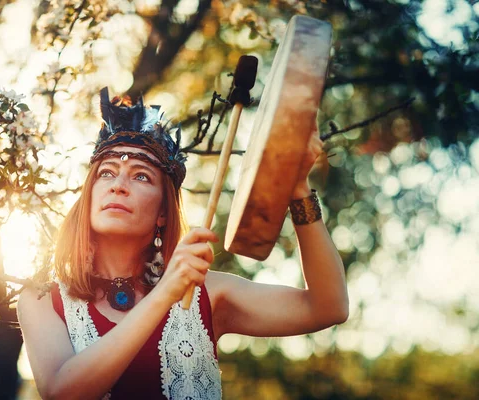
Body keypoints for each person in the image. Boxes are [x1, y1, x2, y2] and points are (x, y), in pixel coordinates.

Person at [17, 87, 349, 400]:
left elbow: (328, 307)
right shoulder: (42, 298)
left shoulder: (207, 295)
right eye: (106, 172)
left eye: (141, 175)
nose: (118, 184)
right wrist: (164, 293)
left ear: (163, 212)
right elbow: (62, 392)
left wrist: (298, 189)